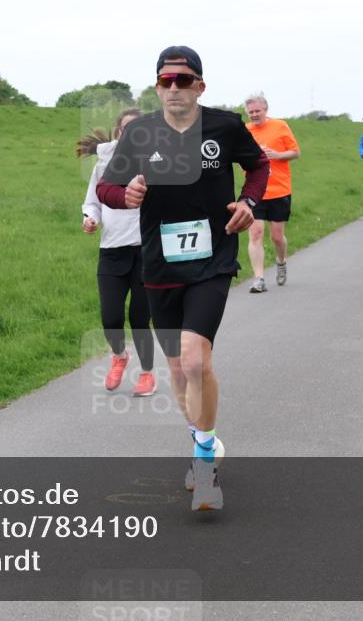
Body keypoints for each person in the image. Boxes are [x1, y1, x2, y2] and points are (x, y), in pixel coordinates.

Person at [97, 46, 269, 511]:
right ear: (157, 86)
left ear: (200, 86)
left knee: (195, 361)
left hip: (213, 257)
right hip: (159, 263)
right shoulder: (142, 133)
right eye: (165, 80)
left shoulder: (225, 126)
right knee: (176, 368)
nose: (174, 87)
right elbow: (105, 187)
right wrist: (125, 193)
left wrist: (248, 203)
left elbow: (258, 166)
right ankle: (203, 438)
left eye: (183, 79)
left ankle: (204, 459)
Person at [80, 108, 156, 397]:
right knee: (110, 318)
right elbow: (92, 202)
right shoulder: (104, 164)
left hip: (146, 252)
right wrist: (91, 219)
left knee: (139, 319)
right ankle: (120, 356)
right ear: (119, 134)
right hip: (111, 250)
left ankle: (147, 374)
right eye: (127, 129)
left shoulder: (156, 163)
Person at [243, 93, 300, 292]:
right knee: (255, 233)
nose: (255, 115)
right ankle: (258, 279)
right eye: (251, 112)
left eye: (258, 111)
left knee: (277, 237)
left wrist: (277, 155)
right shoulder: (245, 131)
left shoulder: (280, 126)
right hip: (254, 190)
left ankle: (281, 261)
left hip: (279, 189)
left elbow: (295, 152)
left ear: (265, 110)